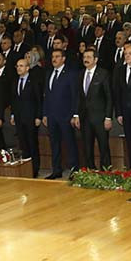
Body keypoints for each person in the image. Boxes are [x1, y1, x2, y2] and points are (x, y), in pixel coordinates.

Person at [73, 47, 113, 170]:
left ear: (95, 59)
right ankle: (90, 170)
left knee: (103, 146)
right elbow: (78, 97)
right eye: (84, 57)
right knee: (87, 147)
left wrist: (108, 117)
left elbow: (109, 97)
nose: (86, 60)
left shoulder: (103, 73)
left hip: (100, 118)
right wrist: (76, 115)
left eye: (89, 57)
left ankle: (106, 172)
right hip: (85, 118)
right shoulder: (80, 74)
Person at [43, 49, 79, 179]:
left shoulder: (70, 74)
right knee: (54, 143)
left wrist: (74, 115)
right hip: (52, 116)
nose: (54, 59)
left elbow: (75, 96)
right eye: (53, 57)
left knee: (70, 143)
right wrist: (45, 114)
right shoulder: (49, 74)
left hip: (66, 115)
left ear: (63, 59)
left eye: (57, 57)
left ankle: (74, 169)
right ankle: (56, 169)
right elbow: (46, 96)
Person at [10, 58, 42, 177]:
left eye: (21, 66)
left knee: (32, 144)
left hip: (31, 117)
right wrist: (13, 114)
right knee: (23, 145)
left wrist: (38, 116)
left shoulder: (34, 81)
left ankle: (35, 169)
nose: (19, 68)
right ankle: (26, 169)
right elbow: (13, 100)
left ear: (27, 68)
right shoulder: (15, 81)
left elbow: (38, 99)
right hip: (19, 117)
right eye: (17, 66)